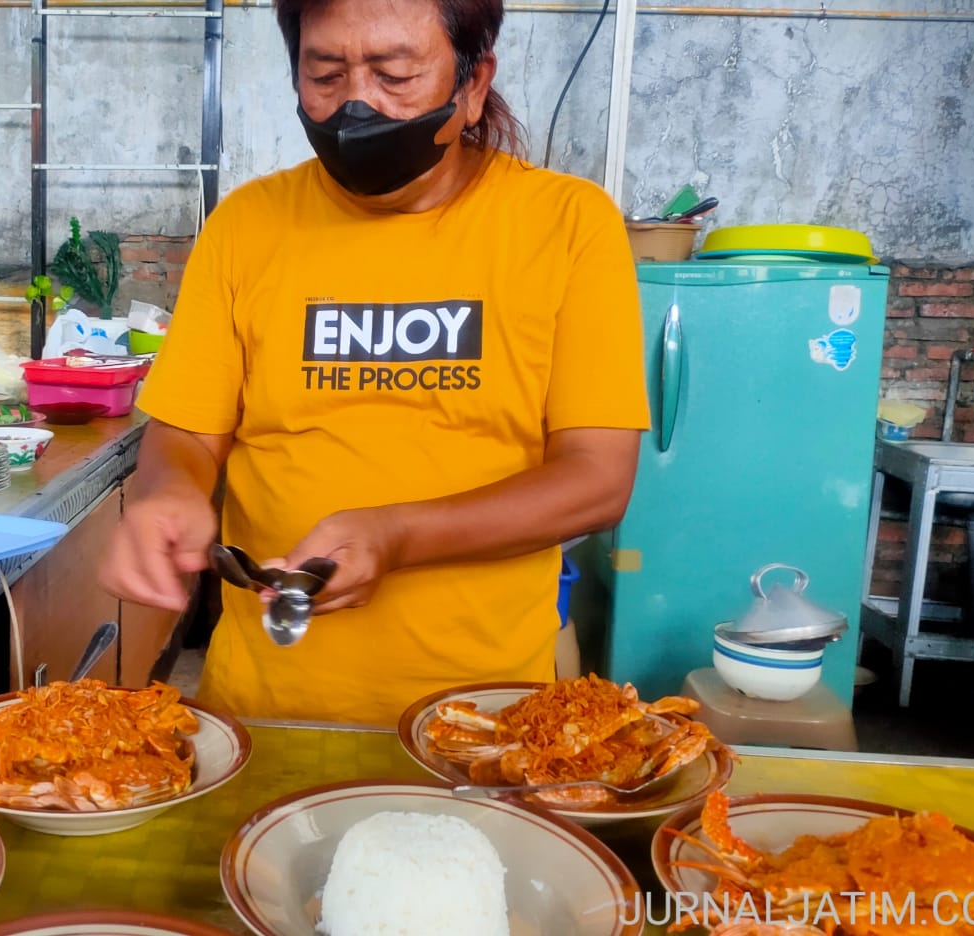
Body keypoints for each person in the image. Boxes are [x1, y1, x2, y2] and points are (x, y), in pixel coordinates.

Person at [97, 0, 650, 725]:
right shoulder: (247, 225)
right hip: (266, 709)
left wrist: (396, 536)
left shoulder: (568, 225)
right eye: (324, 74)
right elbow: (190, 434)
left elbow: (596, 480)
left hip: (479, 719)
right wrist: (169, 491)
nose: (356, 106)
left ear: (473, 82)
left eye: (396, 73)